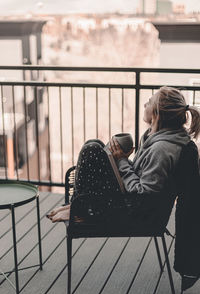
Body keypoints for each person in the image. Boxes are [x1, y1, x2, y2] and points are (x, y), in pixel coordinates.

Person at [47, 86, 200, 225]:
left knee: (92, 150)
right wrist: (120, 160)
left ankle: (83, 209)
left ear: (157, 114)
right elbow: (142, 175)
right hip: (129, 201)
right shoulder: (153, 137)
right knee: (95, 144)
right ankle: (80, 205)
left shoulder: (162, 149)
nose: (145, 105)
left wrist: (121, 161)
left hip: (134, 212)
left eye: (149, 102)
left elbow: (142, 196)